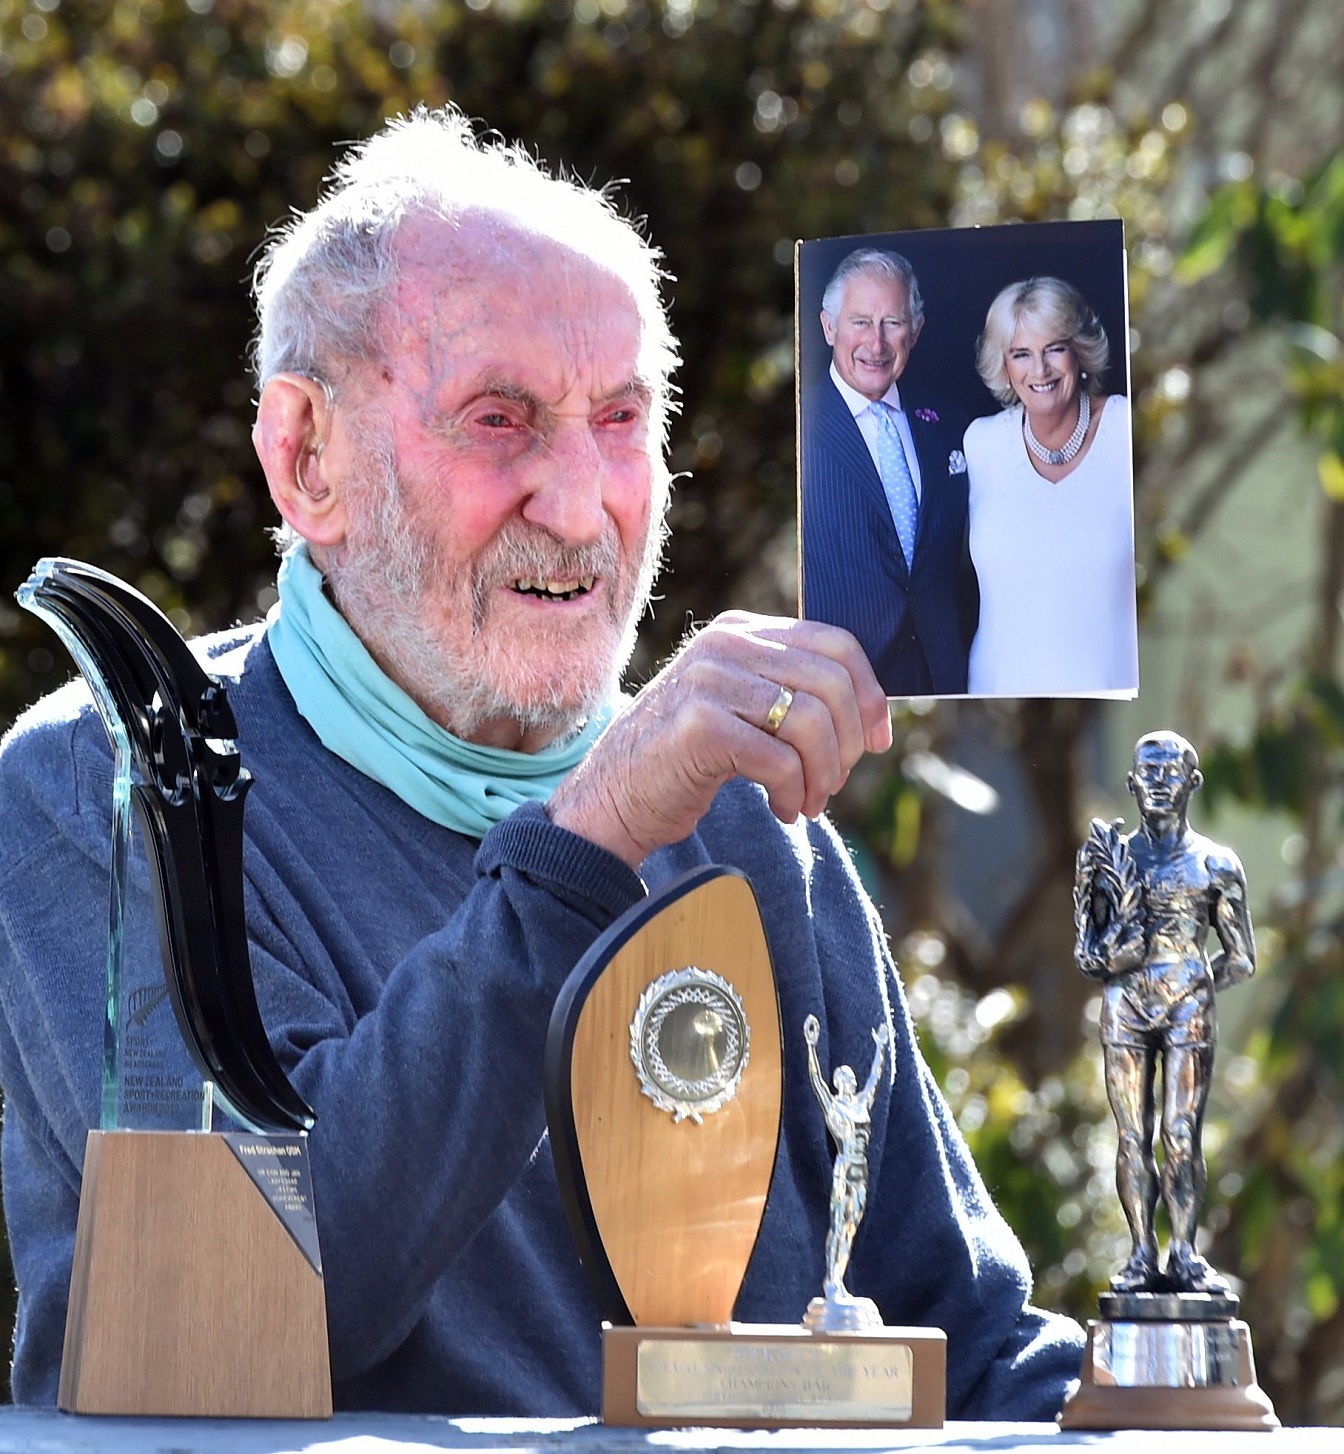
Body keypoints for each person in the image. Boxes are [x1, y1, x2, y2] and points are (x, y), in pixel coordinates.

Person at [0, 108, 1082, 1418]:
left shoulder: (746, 826)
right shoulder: (111, 788)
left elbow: (962, 1338)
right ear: (305, 458)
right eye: (499, 417)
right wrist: (593, 836)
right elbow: (268, 1299)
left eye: (621, 418)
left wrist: (1153, 1409)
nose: (579, 505)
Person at [1074, 731, 1255, 1292]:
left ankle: (1184, 1251)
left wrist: (1193, 988)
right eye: (1146, 773)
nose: (1157, 783)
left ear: (1192, 783)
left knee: (1180, 1134)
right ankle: (1140, 1253)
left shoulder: (1216, 865)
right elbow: (1087, 946)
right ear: (1130, 783)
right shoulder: (1110, 858)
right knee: (1132, 1136)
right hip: (1124, 1007)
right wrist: (1106, 954)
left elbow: (1241, 957)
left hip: (1186, 1008)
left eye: (1169, 772)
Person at [800, 248, 979, 696]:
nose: (876, 344)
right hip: (840, 691)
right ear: (828, 327)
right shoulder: (799, 427)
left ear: (915, 331)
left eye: (892, 323)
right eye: (860, 321)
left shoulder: (950, 424)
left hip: (943, 682)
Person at [964, 276, 1138, 696]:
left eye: (1054, 349)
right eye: (1021, 354)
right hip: (996, 699)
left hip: (1109, 696)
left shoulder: (1124, 428)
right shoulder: (980, 443)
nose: (1039, 370)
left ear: (1079, 351)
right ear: (1003, 364)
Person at [802, 1014, 887, 1309]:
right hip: (844, 1167)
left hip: (861, 1169)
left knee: (851, 1225)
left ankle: (839, 1281)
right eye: (844, 1078)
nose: (849, 1081)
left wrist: (881, 1048)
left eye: (850, 1078)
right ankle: (832, 1281)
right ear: (838, 1083)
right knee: (838, 1224)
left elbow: (875, 1078)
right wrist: (811, 1046)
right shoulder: (835, 1107)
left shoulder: (862, 1103)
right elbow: (815, 1082)